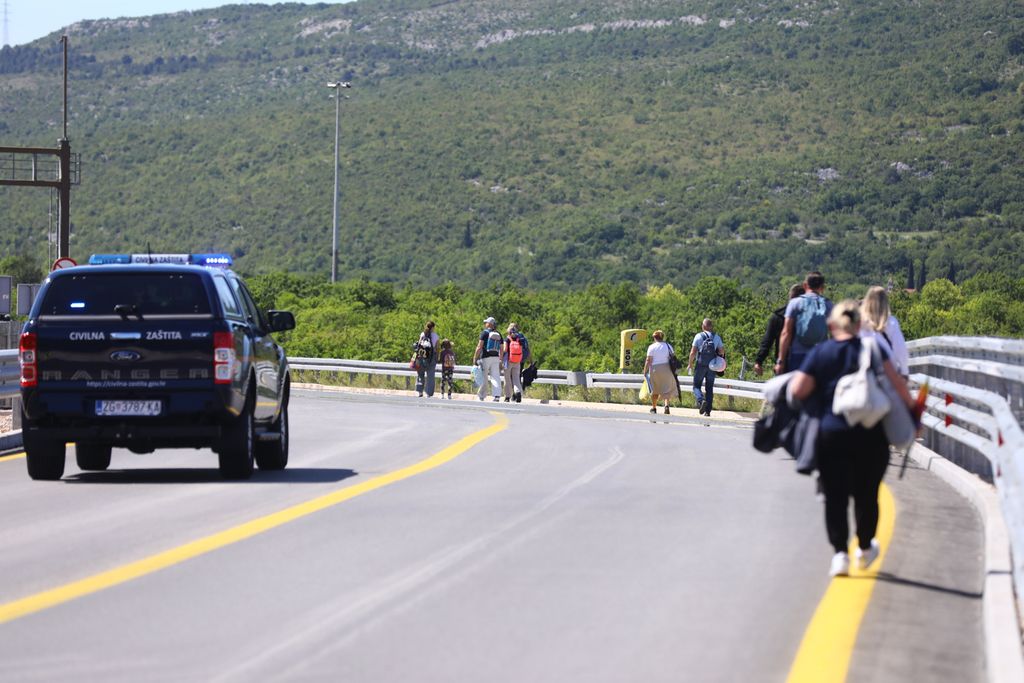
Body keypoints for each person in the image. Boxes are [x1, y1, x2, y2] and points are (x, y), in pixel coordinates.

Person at [789, 300, 916, 577]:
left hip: (831, 433)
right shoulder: (873, 348)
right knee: (867, 494)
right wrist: (915, 419)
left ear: (832, 325)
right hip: (871, 435)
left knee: (835, 496)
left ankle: (839, 555)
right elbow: (899, 388)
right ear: (859, 325)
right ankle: (866, 548)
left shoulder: (822, 352)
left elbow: (798, 390)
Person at [775, 271, 833, 375]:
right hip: (820, 355)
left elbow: (786, 333)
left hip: (798, 354)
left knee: (796, 388)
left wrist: (781, 361)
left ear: (805, 285)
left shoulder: (795, 303)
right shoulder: (828, 305)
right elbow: (835, 334)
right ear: (822, 287)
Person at [860, 286, 910, 378]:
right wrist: (904, 371)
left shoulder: (860, 324)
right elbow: (900, 350)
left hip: (865, 375)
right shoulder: (891, 322)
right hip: (888, 374)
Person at [754, 284, 805, 376]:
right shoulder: (809, 316)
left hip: (784, 364)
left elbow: (767, 341)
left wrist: (759, 361)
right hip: (804, 365)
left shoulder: (778, 316)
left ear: (790, 296)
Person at [687, 318, 725, 417]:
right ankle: (708, 411)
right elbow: (722, 351)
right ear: (711, 326)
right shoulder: (716, 337)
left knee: (696, 386)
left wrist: (690, 363)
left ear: (703, 326)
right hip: (712, 366)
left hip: (700, 364)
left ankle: (701, 400)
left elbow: (692, 352)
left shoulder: (698, 336)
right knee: (709, 388)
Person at [641, 330, 678, 415]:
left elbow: (648, 360)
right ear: (662, 337)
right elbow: (673, 357)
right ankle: (666, 406)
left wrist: (645, 370)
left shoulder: (651, 347)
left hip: (655, 369)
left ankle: (654, 408)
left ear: (654, 338)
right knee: (666, 388)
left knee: (655, 389)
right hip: (666, 369)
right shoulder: (668, 346)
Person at [473, 316, 503, 402]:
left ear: (489, 324)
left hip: (486, 357)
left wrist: (475, 357)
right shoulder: (498, 334)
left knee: (484, 377)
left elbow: (479, 346)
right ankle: (497, 396)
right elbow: (501, 348)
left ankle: (481, 396)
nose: (485, 324)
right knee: (495, 377)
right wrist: (500, 359)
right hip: (495, 358)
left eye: (486, 322)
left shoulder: (484, 333)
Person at [501, 323, 530, 403]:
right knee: (516, 379)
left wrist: (501, 358)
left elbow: (505, 350)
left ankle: (507, 397)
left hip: (509, 361)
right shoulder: (520, 339)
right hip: (517, 362)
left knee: (507, 379)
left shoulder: (507, 339)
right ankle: (518, 392)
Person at [413, 320, 440, 398]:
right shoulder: (436, 336)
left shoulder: (422, 334)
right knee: (430, 375)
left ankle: (419, 391)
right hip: (431, 357)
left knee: (420, 374)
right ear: (433, 328)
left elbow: (418, 346)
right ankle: (428, 393)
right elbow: (437, 348)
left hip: (421, 356)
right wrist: (437, 357)